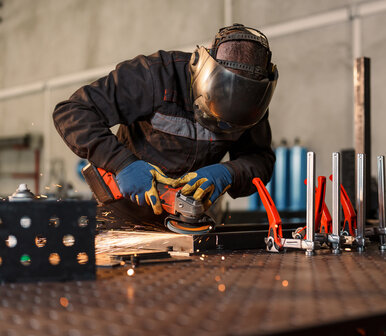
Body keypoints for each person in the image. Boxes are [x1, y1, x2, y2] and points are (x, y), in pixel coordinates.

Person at [53, 24, 278, 227]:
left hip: (190, 223)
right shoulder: (155, 75)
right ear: (204, 69)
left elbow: (261, 160)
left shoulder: (252, 105)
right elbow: (72, 111)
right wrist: (122, 164)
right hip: (120, 217)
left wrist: (229, 173)